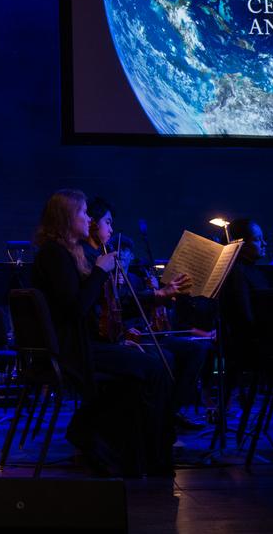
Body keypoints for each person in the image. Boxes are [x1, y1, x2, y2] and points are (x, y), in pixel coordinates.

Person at [31, 189, 175, 476]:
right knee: (157, 366)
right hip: (72, 351)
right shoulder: (54, 255)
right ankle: (152, 456)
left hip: (81, 345)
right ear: (67, 218)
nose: (89, 219)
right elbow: (76, 310)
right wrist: (100, 271)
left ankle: (121, 449)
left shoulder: (67, 252)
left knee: (144, 371)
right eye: (83, 213)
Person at [86, 197, 203, 431]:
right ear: (91, 224)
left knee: (194, 348)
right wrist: (156, 295)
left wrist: (162, 296)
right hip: (104, 341)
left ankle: (166, 413)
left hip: (125, 333)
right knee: (162, 359)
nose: (111, 229)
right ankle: (154, 422)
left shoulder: (106, 263)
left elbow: (121, 302)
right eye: (108, 223)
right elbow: (104, 306)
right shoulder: (93, 261)